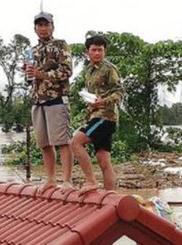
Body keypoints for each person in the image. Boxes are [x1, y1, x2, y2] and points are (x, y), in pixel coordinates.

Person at [25, 11, 74, 193]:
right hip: (37, 101)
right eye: (40, 25)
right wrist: (29, 73)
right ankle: (51, 179)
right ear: (35, 28)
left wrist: (42, 74)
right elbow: (29, 79)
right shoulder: (31, 51)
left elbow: (67, 71)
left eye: (46, 25)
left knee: (62, 141)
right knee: (44, 143)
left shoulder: (61, 45)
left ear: (52, 27)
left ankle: (67, 180)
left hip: (57, 98)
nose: (43, 28)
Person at [71, 35, 124, 193]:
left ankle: (91, 181)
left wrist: (101, 102)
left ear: (104, 51)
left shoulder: (109, 68)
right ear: (88, 52)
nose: (97, 53)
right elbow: (94, 95)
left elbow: (119, 92)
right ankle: (110, 196)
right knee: (103, 161)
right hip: (95, 115)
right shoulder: (88, 71)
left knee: (75, 143)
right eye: (94, 50)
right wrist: (91, 104)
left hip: (105, 117)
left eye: (100, 50)